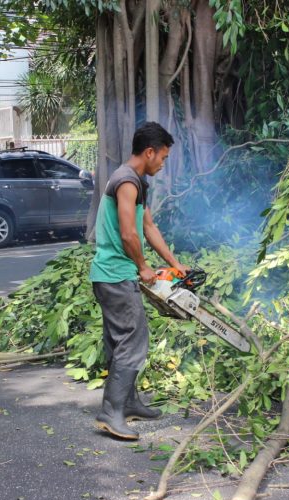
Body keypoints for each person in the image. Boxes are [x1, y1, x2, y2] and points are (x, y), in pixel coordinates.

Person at [89, 122, 188, 441]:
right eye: (163, 157)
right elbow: (128, 232)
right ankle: (111, 412)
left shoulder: (135, 181)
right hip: (116, 273)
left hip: (115, 273)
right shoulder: (127, 181)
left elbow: (148, 228)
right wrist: (144, 267)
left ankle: (128, 402)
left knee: (121, 340)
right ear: (149, 152)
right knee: (133, 339)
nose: (163, 162)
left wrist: (174, 264)